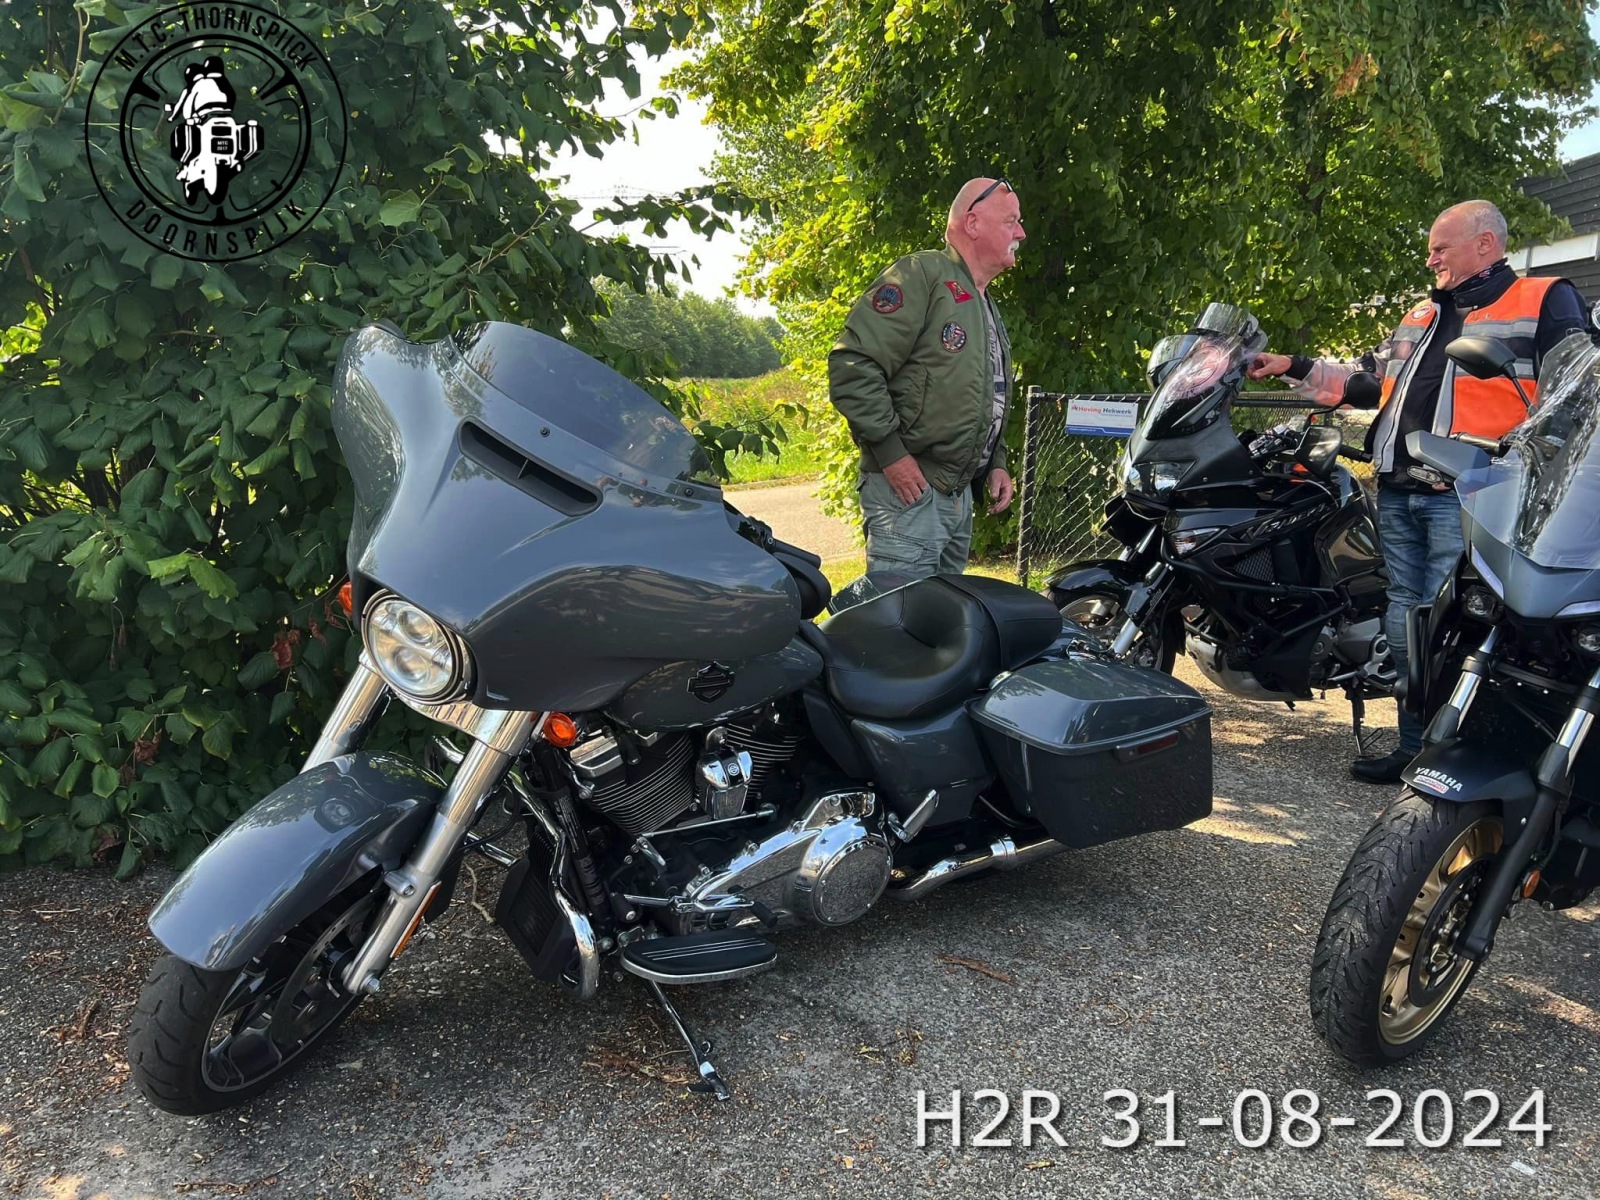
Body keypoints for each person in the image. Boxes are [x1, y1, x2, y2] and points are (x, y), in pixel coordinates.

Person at [1250, 199, 1590, 783]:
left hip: (1475, 494)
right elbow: (1367, 381)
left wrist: (1531, 468)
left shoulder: (1543, 298)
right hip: (1400, 486)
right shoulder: (1423, 314)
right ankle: (1416, 749)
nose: (1431, 259)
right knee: (1408, 619)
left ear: (1485, 244)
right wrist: (1292, 365)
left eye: (1440, 248)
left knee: (1457, 623)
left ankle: (1460, 754)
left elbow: (1576, 396)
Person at [827, 177, 1024, 578]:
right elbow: (853, 365)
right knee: (899, 615)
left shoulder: (983, 301)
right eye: (1011, 222)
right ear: (973, 223)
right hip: (910, 493)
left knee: (941, 616)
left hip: (956, 497)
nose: (1021, 233)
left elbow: (987, 395)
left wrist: (996, 461)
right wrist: (892, 455)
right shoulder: (922, 274)